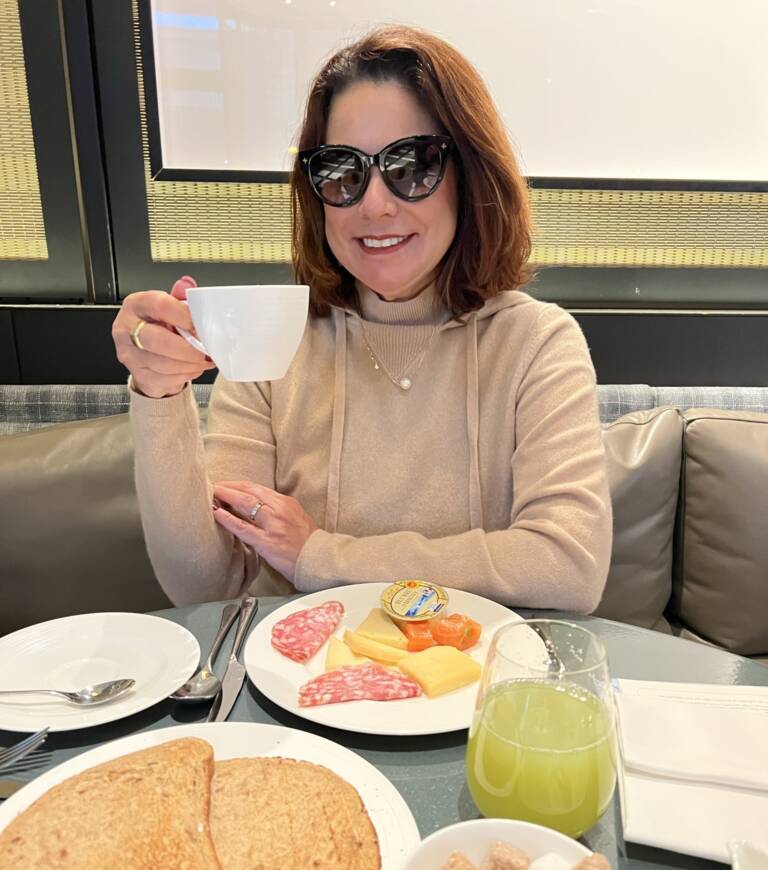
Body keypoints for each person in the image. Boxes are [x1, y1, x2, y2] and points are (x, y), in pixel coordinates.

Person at [112, 25, 612, 612]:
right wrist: (159, 393)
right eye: (341, 172)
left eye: (412, 165)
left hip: (472, 689)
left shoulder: (536, 344)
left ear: (470, 176)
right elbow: (208, 584)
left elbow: (567, 566)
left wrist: (318, 556)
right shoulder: (276, 341)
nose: (374, 204)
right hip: (290, 684)